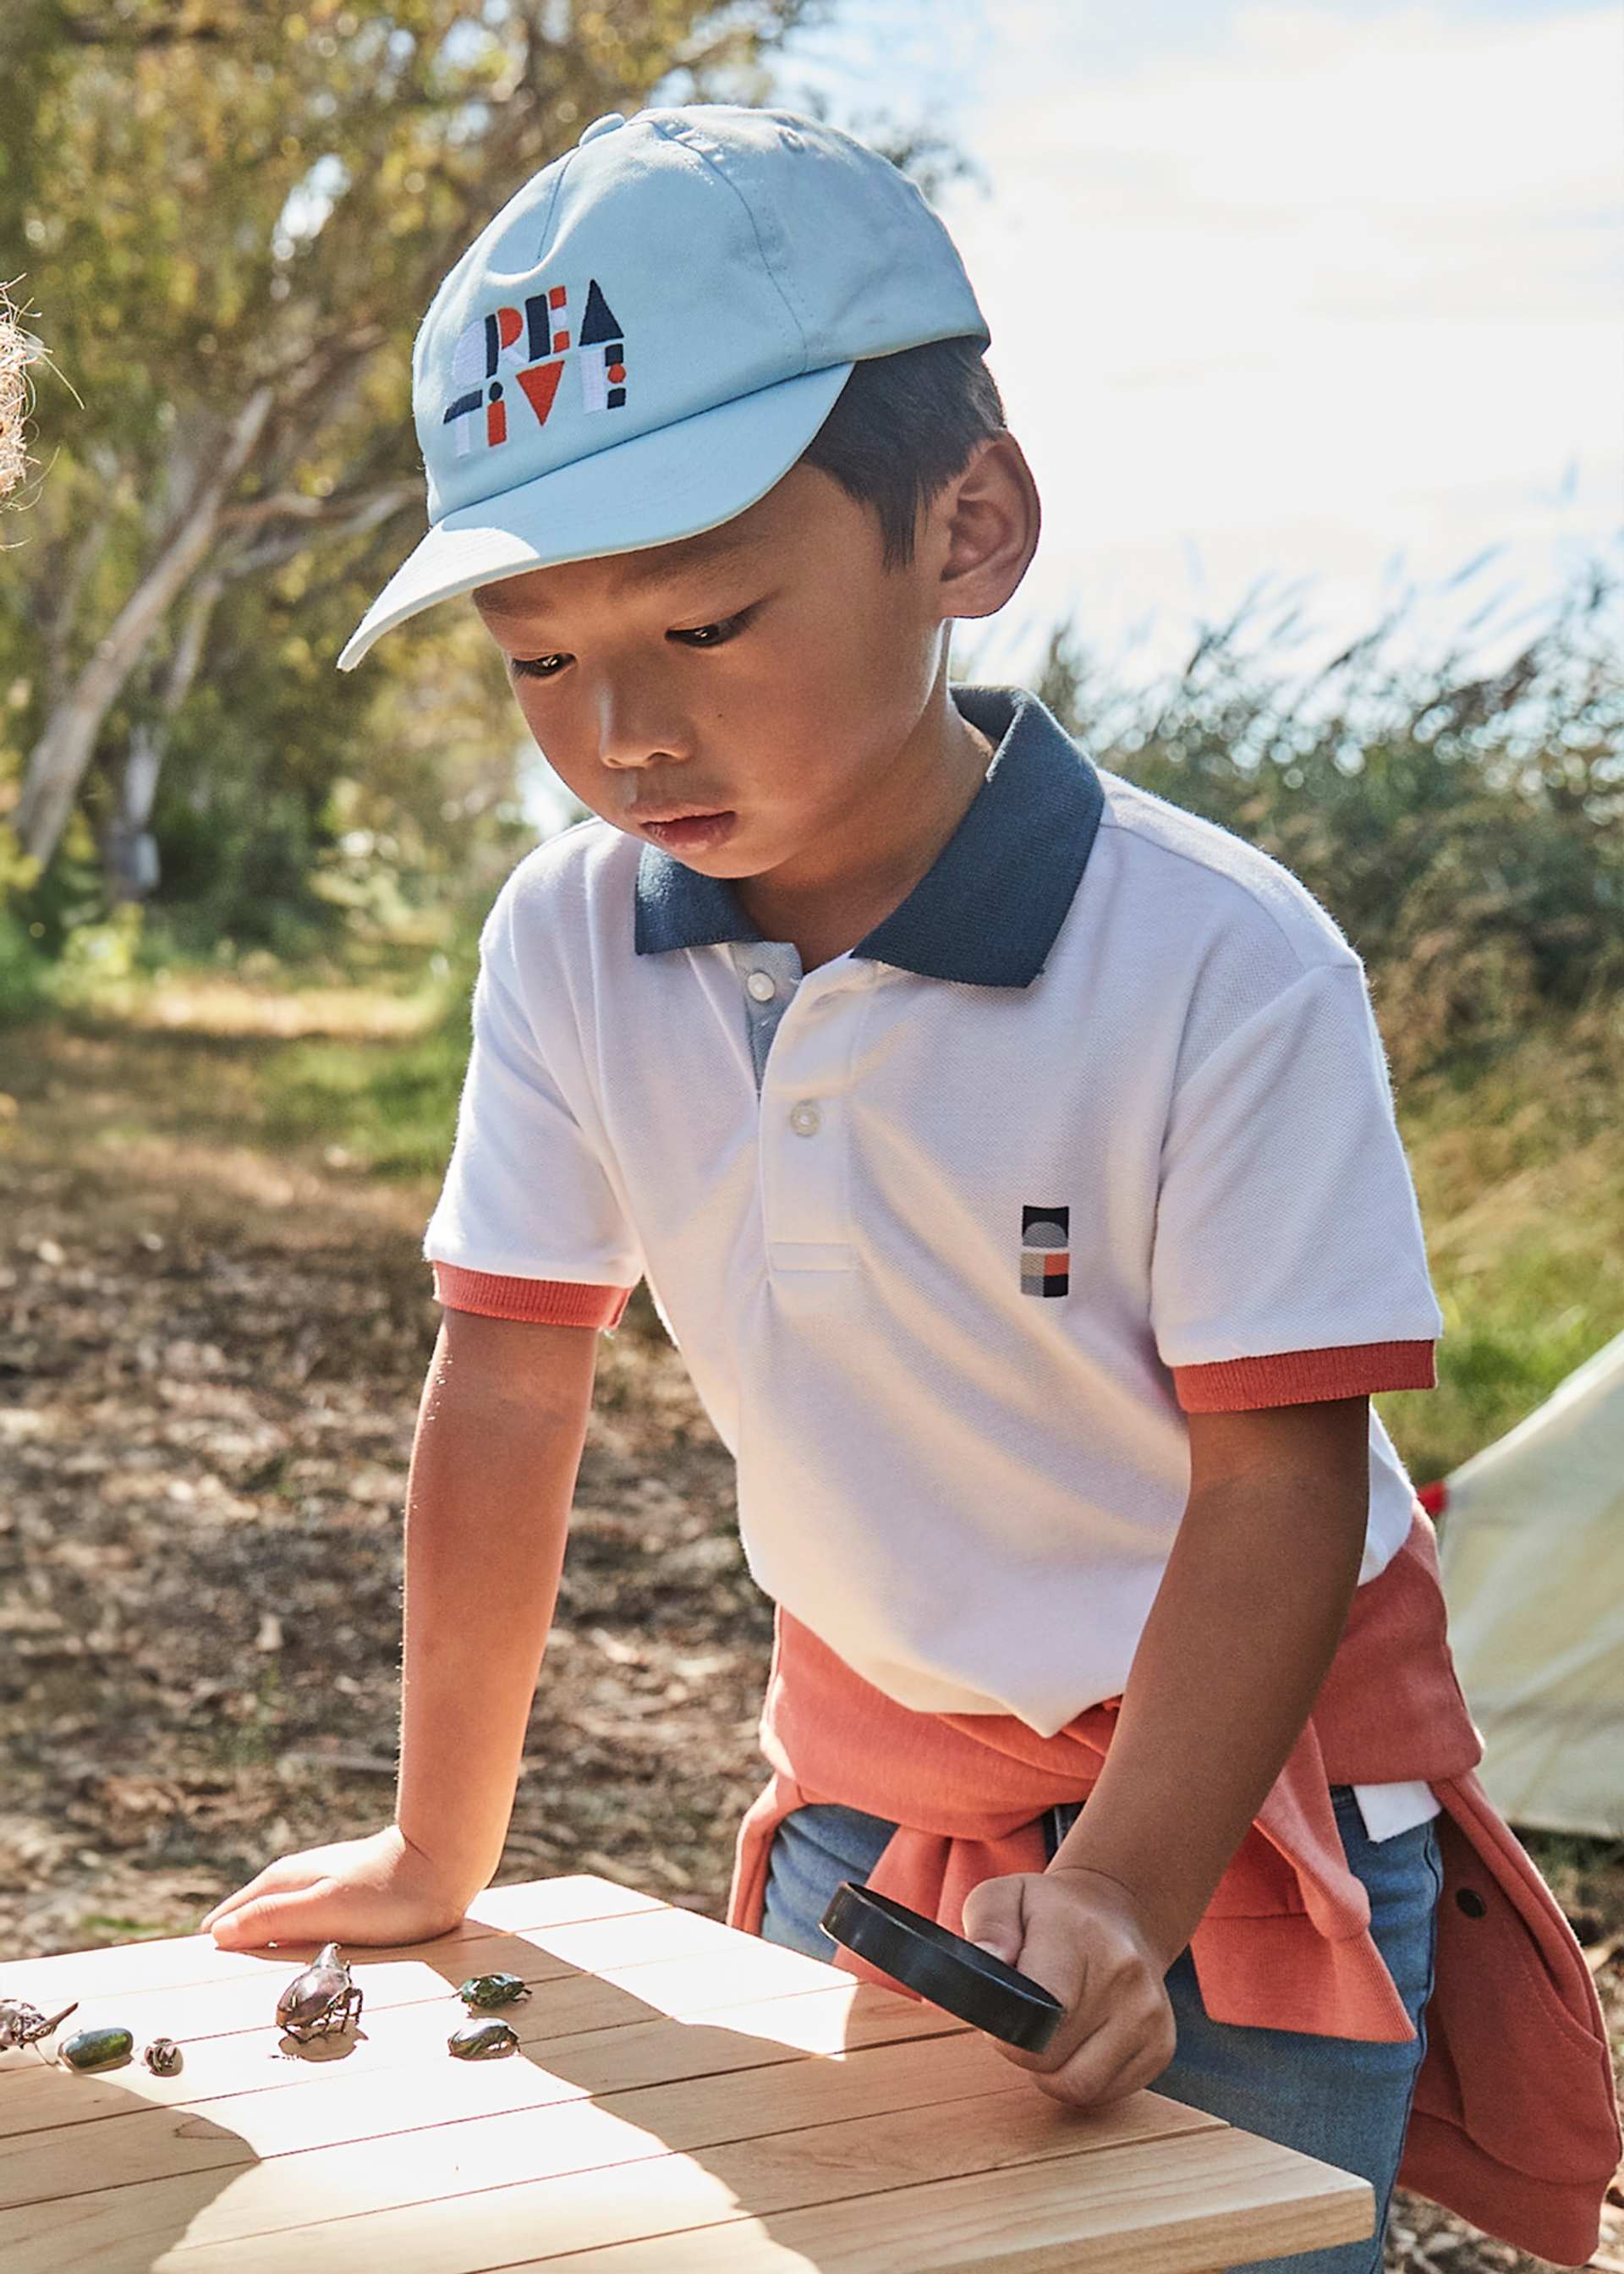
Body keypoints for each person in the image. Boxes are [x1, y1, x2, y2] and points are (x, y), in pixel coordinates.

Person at [196, 107, 1616, 2274]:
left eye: (704, 621)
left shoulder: (1217, 961)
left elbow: (1284, 1484)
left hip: (1240, 1820)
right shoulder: (569, 940)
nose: (621, 737)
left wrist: (1129, 1894)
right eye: (539, 659)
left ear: (970, 527)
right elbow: (507, 1388)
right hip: (873, 1784)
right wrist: (435, 1840)